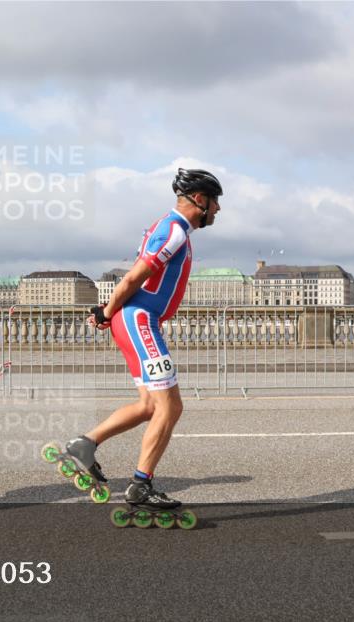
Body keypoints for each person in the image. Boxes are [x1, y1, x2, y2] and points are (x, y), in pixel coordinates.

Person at [62, 168, 223, 511]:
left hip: (137, 319)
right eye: (215, 202)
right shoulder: (175, 230)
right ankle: (140, 485)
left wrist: (110, 311)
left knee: (151, 405)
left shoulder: (169, 227)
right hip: (141, 320)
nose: (218, 210)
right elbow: (135, 276)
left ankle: (85, 444)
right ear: (199, 199)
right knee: (171, 406)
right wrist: (108, 310)